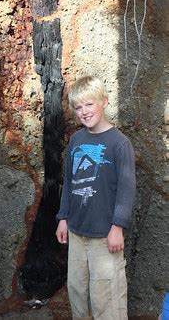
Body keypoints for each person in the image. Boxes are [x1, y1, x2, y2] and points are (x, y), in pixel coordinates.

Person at [55, 76, 136, 320]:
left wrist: (117, 227)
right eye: (78, 107)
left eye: (89, 104)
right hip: (78, 232)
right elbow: (69, 181)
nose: (84, 112)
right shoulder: (76, 140)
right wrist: (63, 217)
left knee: (106, 297)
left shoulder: (119, 144)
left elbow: (126, 188)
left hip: (104, 235)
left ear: (104, 101)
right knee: (78, 291)